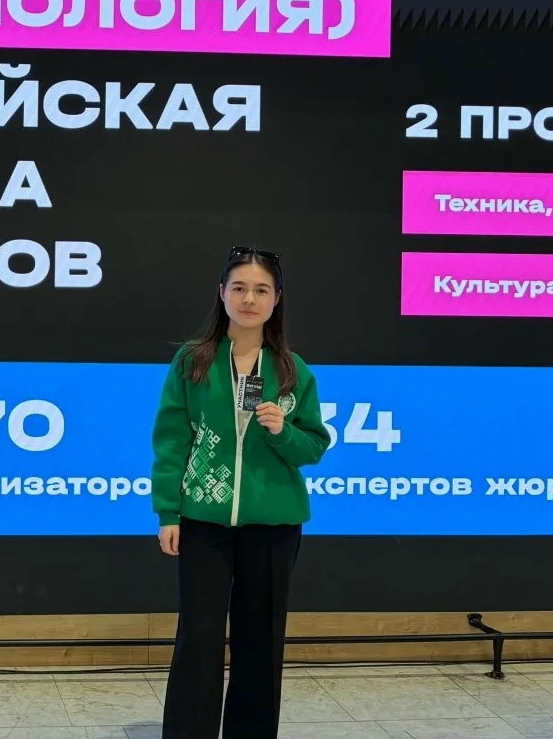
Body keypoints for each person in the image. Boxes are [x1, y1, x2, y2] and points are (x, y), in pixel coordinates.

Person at [151, 246, 331, 739]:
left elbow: (314, 446)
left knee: (261, 640)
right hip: (203, 522)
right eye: (239, 288)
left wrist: (282, 432)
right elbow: (171, 440)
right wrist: (168, 512)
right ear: (222, 294)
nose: (249, 299)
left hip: (274, 526)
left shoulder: (293, 370)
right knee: (199, 637)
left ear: (276, 299)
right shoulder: (193, 361)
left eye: (261, 290)